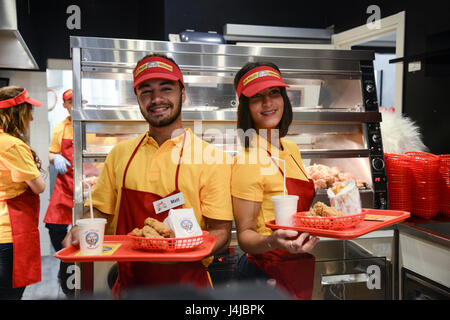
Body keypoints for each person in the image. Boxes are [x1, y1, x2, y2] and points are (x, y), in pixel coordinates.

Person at [62, 54, 233, 297]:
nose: (157, 99)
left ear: (182, 94)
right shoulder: (120, 154)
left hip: (190, 289)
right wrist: (80, 228)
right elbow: (99, 211)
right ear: (138, 99)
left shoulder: (212, 158)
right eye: (146, 91)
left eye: (166, 89)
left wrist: (180, 251)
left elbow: (222, 233)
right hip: (130, 287)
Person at [231, 62, 320, 300]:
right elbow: (245, 236)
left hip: (297, 265)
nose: (268, 103)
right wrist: (273, 241)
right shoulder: (248, 159)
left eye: (274, 93)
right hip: (263, 274)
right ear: (245, 107)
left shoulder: (290, 148)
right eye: (257, 97)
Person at [0, 86, 46, 299]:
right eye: (29, 113)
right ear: (15, 113)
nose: (31, 120)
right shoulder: (12, 146)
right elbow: (38, 186)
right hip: (9, 234)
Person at [43, 89, 75, 296]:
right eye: (70, 101)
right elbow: (52, 152)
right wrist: (56, 158)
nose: (74, 103)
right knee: (54, 228)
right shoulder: (60, 128)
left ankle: (74, 276)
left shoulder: (90, 124)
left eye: (77, 100)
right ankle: (66, 265)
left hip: (90, 186)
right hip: (65, 187)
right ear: (64, 105)